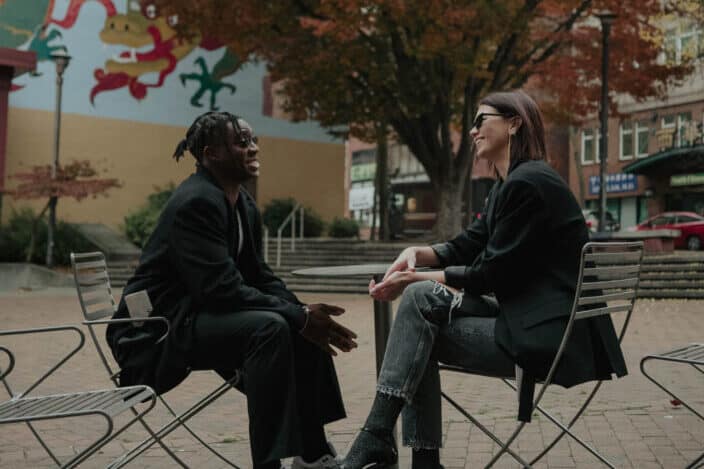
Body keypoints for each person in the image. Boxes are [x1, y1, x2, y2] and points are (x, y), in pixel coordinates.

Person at [342, 90, 627, 469]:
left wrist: (413, 279)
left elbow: (491, 273)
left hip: (549, 339)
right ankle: (396, 447)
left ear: (513, 123)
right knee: (420, 316)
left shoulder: (527, 185)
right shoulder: (511, 185)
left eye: (481, 120)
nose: (473, 130)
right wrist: (416, 254)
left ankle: (386, 440)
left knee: (417, 317)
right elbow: (467, 245)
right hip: (534, 319)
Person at [106, 111, 358, 469]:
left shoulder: (243, 205)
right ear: (212, 154)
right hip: (155, 331)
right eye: (242, 142)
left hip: (197, 314)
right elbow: (221, 290)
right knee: (269, 329)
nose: (253, 148)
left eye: (253, 141)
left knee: (299, 328)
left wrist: (301, 311)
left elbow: (258, 276)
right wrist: (296, 316)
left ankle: (312, 456)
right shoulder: (196, 203)